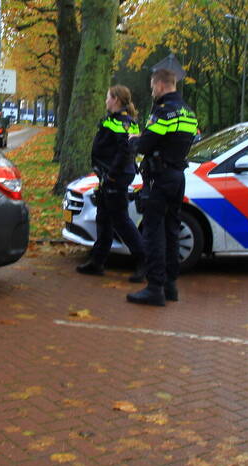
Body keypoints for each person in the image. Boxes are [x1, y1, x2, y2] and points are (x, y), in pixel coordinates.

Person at [126, 68, 198, 306]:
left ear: (160, 85)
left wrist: (134, 140)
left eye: (152, 87)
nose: (152, 92)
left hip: (160, 178)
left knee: (153, 232)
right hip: (178, 177)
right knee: (171, 230)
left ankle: (154, 288)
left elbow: (145, 145)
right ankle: (170, 286)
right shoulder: (189, 112)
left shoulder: (163, 111)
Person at [76, 85, 146, 278]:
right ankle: (97, 262)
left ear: (115, 99)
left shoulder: (124, 122)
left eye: (108, 97)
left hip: (116, 176)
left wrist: (112, 175)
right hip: (108, 175)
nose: (106, 100)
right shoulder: (115, 119)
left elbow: (125, 152)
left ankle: (144, 259)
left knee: (121, 220)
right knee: (104, 219)